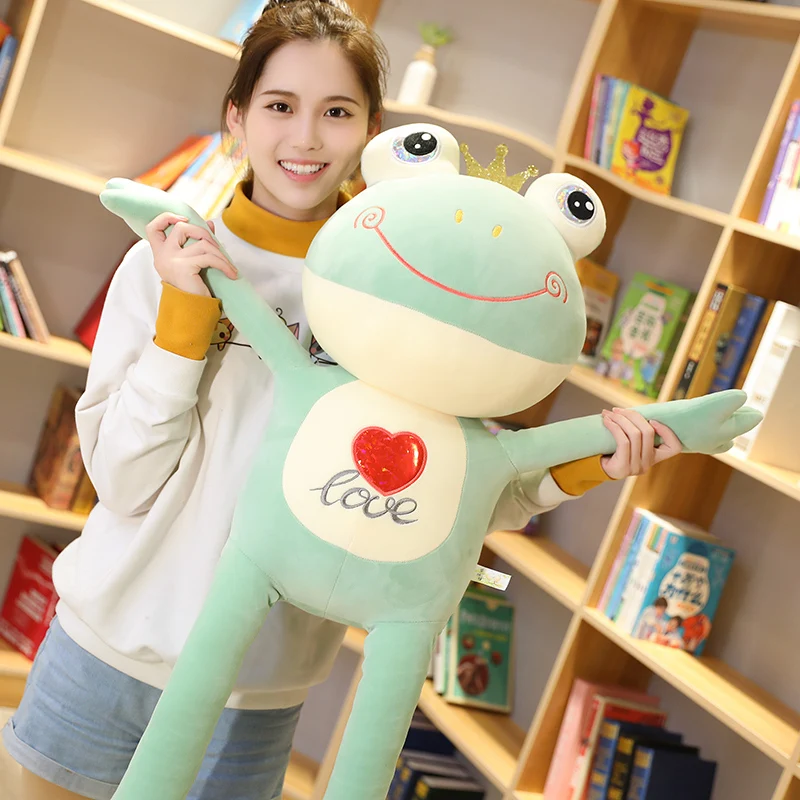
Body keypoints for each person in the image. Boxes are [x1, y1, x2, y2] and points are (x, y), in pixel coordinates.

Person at [1, 2, 682, 798]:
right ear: (236, 116)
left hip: (256, 691)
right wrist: (184, 325)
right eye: (279, 106)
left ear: (372, 132)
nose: (305, 138)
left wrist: (587, 466)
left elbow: (444, 493)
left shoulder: (405, 295)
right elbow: (121, 481)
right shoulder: (165, 265)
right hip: (104, 652)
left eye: (336, 112)